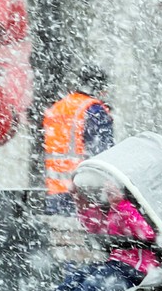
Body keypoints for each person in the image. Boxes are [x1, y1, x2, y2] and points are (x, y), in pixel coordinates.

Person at [7, 170, 161, 291]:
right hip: (116, 264)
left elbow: (146, 233)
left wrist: (121, 204)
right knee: (77, 277)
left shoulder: (135, 208)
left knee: (94, 284)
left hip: (135, 270)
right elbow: (93, 226)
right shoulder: (113, 210)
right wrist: (80, 202)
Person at [43, 63, 114, 215]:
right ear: (99, 88)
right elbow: (103, 155)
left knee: (59, 233)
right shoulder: (94, 110)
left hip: (55, 191)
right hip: (83, 194)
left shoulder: (57, 108)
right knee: (87, 237)